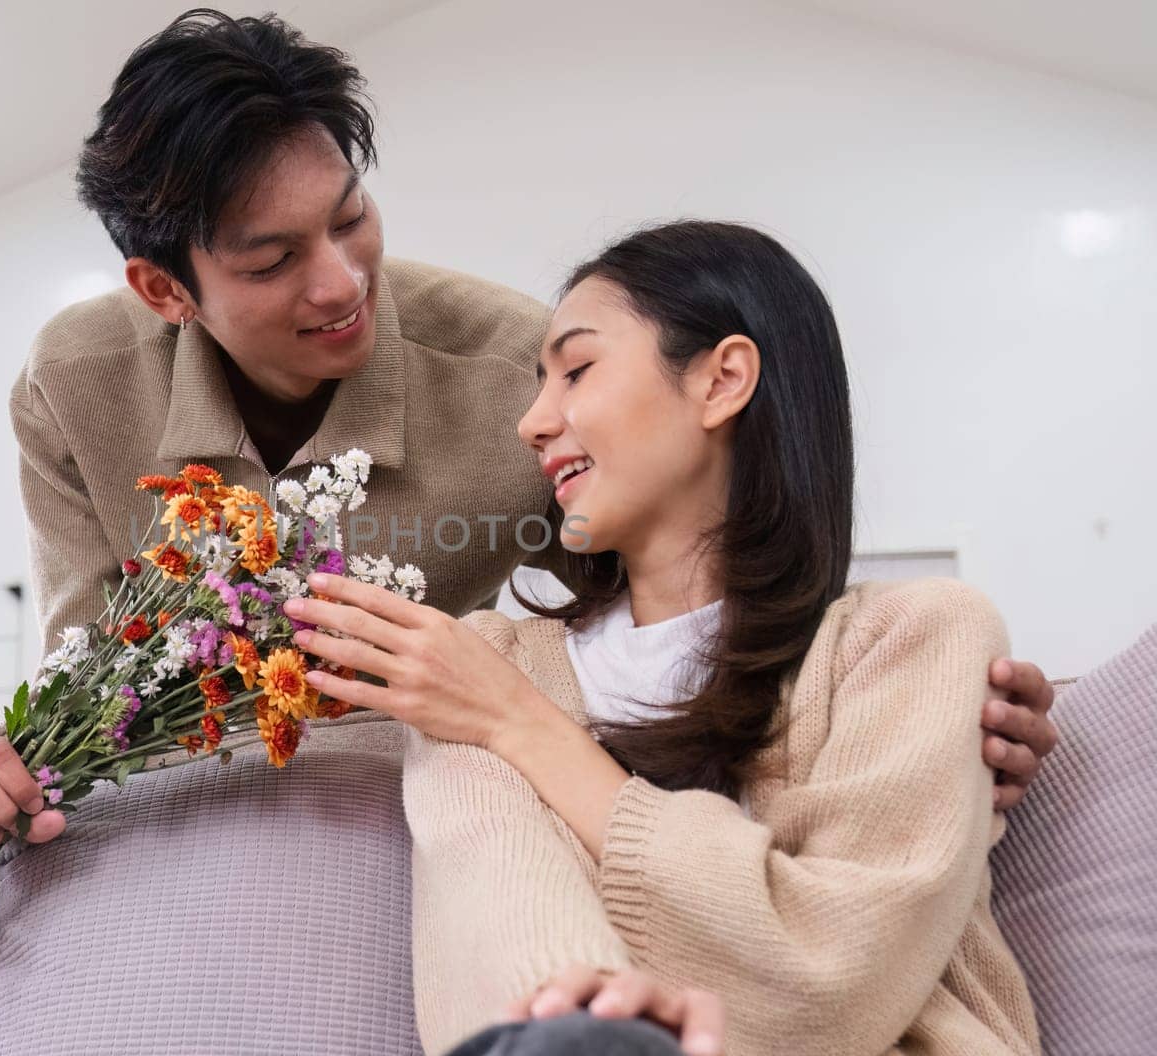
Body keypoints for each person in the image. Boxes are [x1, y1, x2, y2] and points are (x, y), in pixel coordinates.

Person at [0, 11, 1058, 1052]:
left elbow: (706, 608)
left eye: (351, 219)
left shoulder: (502, 382)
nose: (343, 280)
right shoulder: (79, 387)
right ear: (168, 292)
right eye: (274, 259)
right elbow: (96, 679)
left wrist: (940, 728)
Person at [286, 221, 1041, 1054]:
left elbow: (825, 980)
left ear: (723, 380)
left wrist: (522, 727)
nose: (532, 422)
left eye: (576, 370)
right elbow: (506, 930)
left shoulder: (916, 637)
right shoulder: (490, 663)